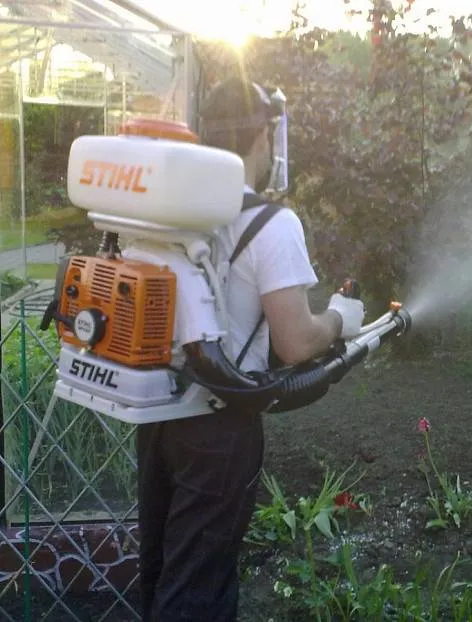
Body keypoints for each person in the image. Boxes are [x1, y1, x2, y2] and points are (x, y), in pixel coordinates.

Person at [135, 76, 366, 621]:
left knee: (163, 564)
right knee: (201, 585)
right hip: (219, 426)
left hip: (158, 414)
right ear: (263, 136)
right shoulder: (271, 223)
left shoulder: (171, 210)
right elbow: (294, 343)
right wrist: (340, 319)